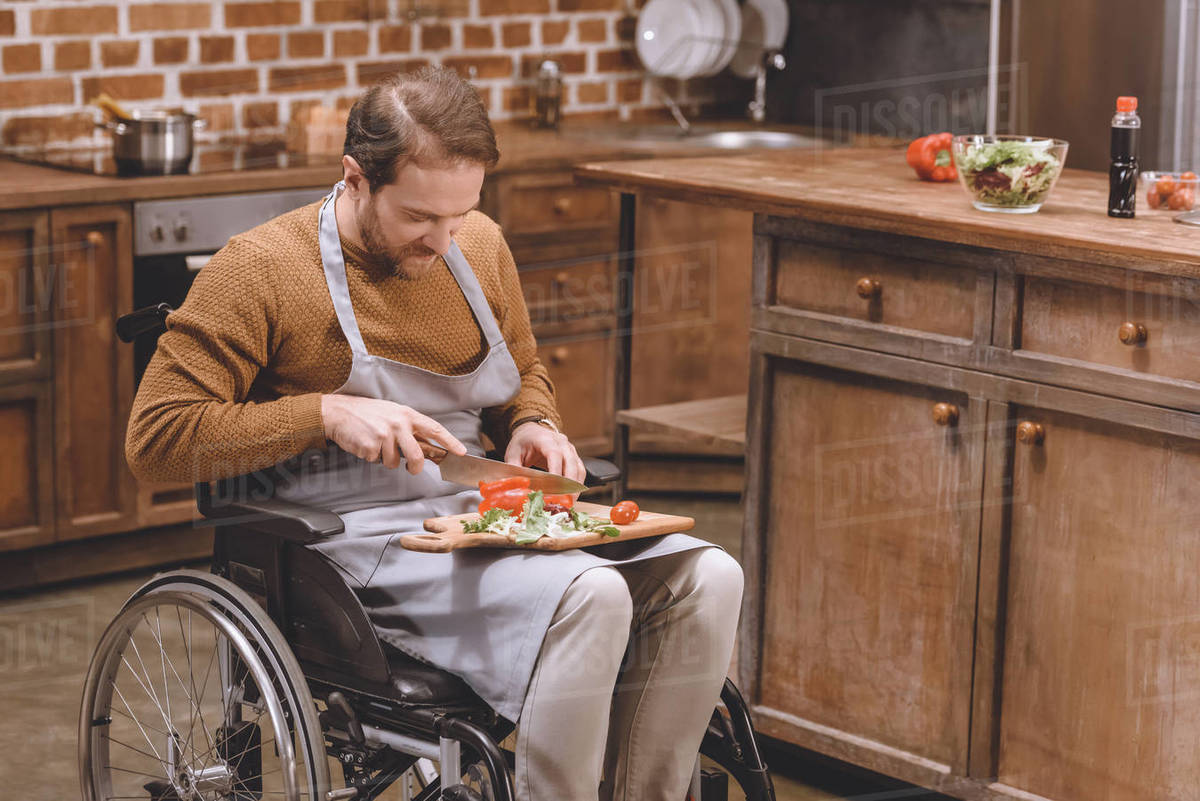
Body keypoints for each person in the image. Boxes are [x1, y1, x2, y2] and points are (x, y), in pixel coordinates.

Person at [125, 65, 743, 801]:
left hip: (474, 516)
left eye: (459, 216)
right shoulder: (259, 269)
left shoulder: (477, 244)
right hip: (346, 540)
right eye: (420, 218)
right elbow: (155, 441)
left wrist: (530, 423)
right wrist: (324, 413)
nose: (444, 241)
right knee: (594, 595)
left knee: (710, 577)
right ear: (355, 178)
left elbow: (525, 369)